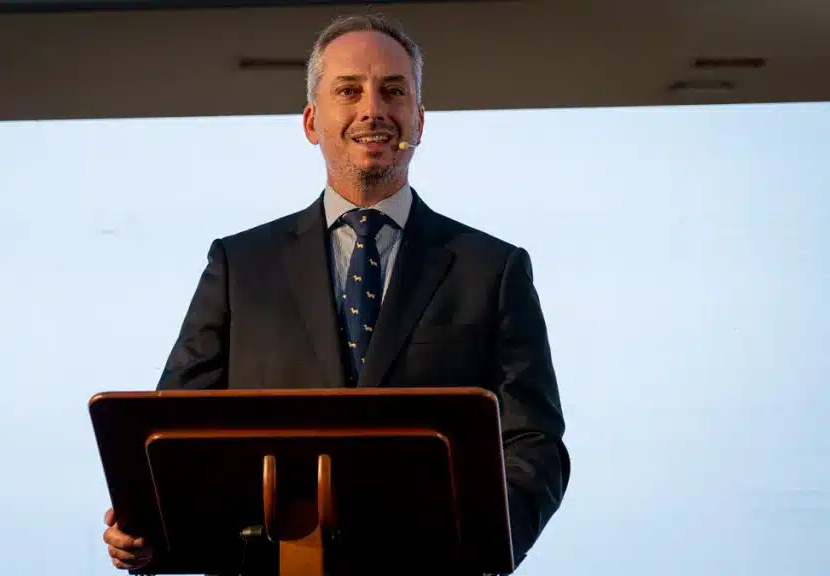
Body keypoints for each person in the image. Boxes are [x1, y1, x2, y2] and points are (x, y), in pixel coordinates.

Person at [103, 13, 569, 574]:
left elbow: (534, 441)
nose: (373, 108)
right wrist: (147, 523)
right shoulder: (239, 265)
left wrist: (489, 535)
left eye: (393, 91)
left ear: (418, 121)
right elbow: (170, 436)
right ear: (311, 120)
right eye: (349, 90)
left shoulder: (493, 270)